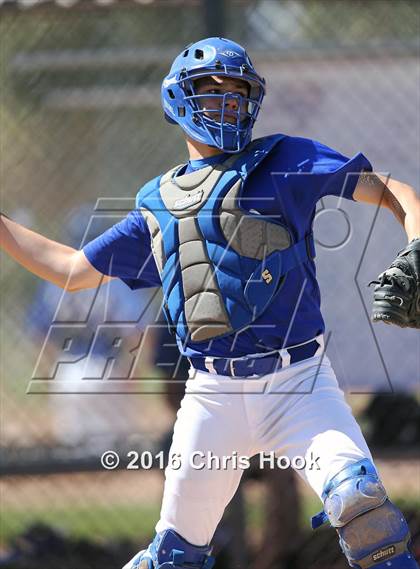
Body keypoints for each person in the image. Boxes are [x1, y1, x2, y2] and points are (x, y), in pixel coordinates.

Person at [1, 37, 419, 569]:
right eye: (210, 89)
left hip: (299, 384)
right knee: (174, 556)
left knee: (365, 515)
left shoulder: (284, 159)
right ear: (178, 98)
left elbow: (393, 190)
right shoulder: (156, 206)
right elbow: (71, 270)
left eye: (236, 91)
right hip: (212, 397)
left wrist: (417, 244)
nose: (226, 102)